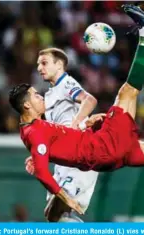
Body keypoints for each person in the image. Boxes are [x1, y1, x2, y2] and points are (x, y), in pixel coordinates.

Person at [10, 4, 144, 223]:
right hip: (103, 147)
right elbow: (44, 165)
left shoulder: (35, 127)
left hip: (105, 153)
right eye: (35, 96)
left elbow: (56, 136)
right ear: (26, 106)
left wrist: (82, 124)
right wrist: (47, 164)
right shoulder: (36, 130)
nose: (40, 96)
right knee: (128, 91)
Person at [25, 46, 99, 222]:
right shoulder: (49, 95)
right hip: (64, 160)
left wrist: (74, 127)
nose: (39, 68)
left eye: (44, 63)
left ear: (59, 65)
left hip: (78, 155)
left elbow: (90, 100)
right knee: (54, 216)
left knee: (61, 207)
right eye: (38, 64)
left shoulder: (66, 83)